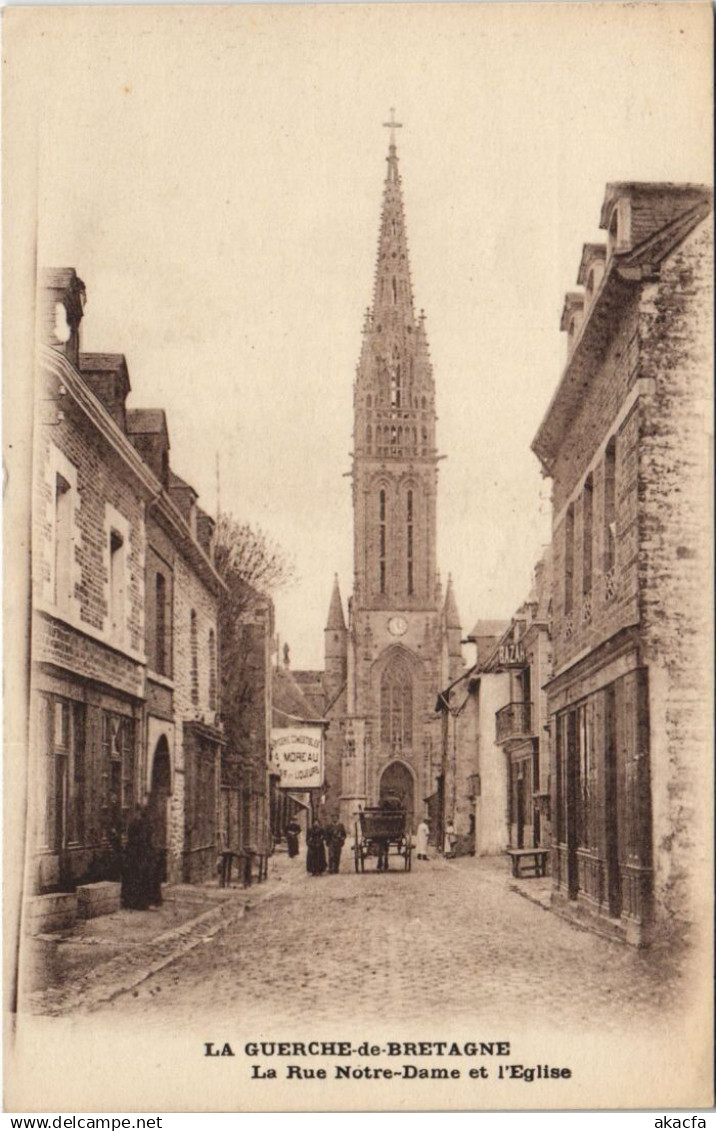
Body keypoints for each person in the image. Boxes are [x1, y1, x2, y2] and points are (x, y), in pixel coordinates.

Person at [121, 804, 153, 910]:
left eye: (137, 812)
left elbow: (138, 838)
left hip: (137, 854)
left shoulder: (138, 824)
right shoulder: (146, 824)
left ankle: (136, 902)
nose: (136, 814)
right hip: (141, 853)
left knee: (136, 877)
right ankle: (139, 902)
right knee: (137, 877)